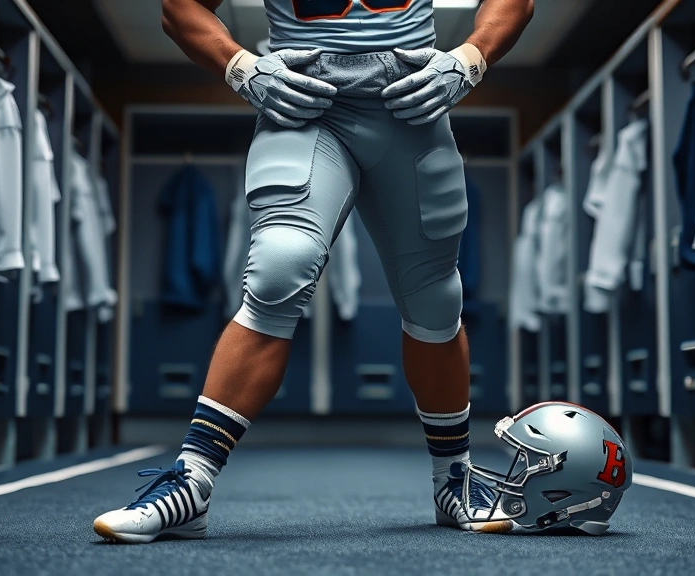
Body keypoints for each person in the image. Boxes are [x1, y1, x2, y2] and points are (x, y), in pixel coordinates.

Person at [93, 0, 535, 543]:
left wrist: (471, 57)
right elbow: (178, 8)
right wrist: (241, 67)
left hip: (411, 101)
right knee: (281, 265)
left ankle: (454, 479)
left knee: (435, 299)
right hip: (306, 101)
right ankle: (192, 480)